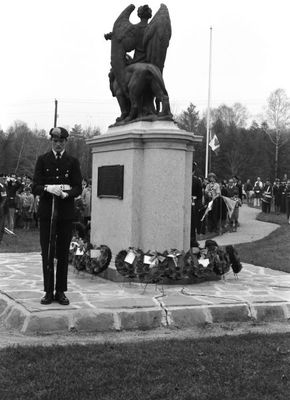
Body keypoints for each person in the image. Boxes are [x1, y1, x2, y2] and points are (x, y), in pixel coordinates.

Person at [32, 127, 82, 305]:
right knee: (47, 252)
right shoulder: (43, 160)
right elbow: (34, 186)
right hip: (47, 213)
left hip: (65, 213)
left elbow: (78, 187)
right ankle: (48, 291)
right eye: (55, 141)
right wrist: (47, 188)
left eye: (61, 141)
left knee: (62, 253)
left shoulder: (72, 161)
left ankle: (60, 291)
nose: (58, 144)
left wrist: (67, 194)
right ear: (51, 141)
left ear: (65, 142)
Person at [190, 162, 203, 245]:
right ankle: (192, 238)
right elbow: (200, 195)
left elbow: (199, 195)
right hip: (192, 202)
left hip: (193, 202)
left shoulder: (196, 181)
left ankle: (192, 239)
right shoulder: (197, 180)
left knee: (193, 221)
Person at [0, 174, 8, 244]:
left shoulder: (3, 186)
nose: (4, 179)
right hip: (1, 209)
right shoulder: (1, 187)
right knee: (1, 225)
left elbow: (4, 198)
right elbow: (4, 198)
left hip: (2, 208)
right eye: (2, 178)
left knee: (2, 225)